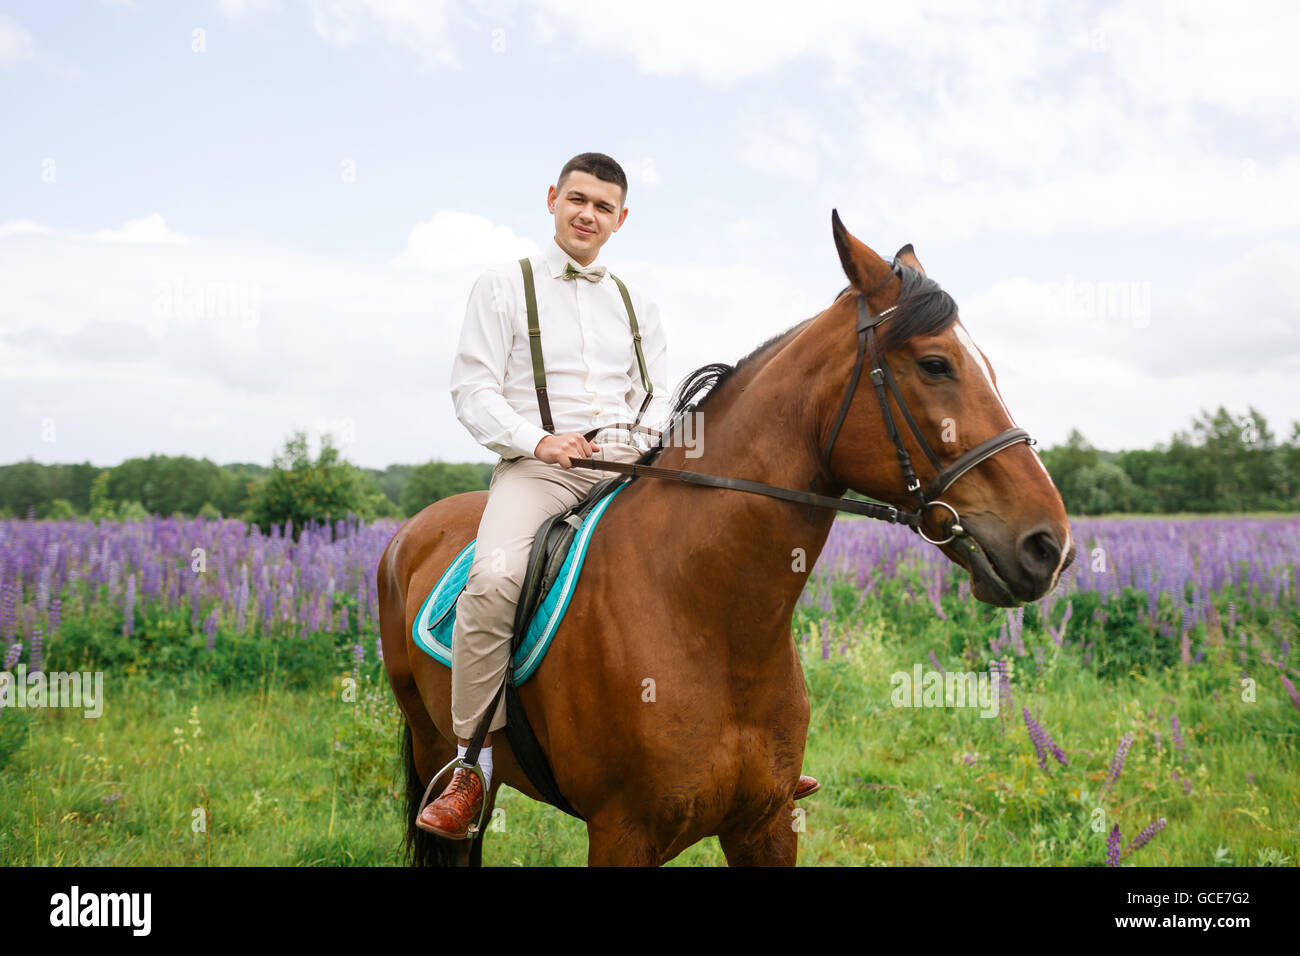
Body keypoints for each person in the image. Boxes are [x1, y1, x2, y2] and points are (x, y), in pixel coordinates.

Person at [420, 152, 818, 840]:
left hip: (633, 465)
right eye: (577, 199)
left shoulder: (637, 299)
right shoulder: (501, 286)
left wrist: (654, 442)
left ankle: (752, 748)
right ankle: (471, 766)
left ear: (620, 219)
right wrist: (536, 440)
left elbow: (660, 391)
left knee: (721, 560)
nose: (587, 214)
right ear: (552, 199)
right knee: (493, 579)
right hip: (540, 466)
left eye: (603, 207)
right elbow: (473, 390)